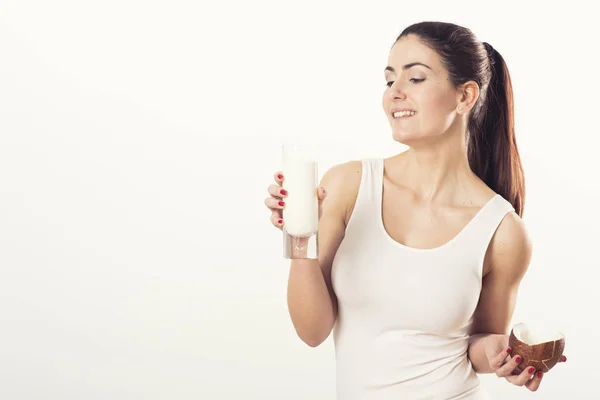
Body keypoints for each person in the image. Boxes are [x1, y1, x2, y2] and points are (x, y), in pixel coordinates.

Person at [264, 21, 566, 399]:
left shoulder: (503, 230)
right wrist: (300, 236)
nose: (395, 93)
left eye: (416, 78)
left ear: (465, 96)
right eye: (390, 81)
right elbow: (312, 332)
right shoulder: (347, 185)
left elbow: (480, 343)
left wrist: (503, 357)